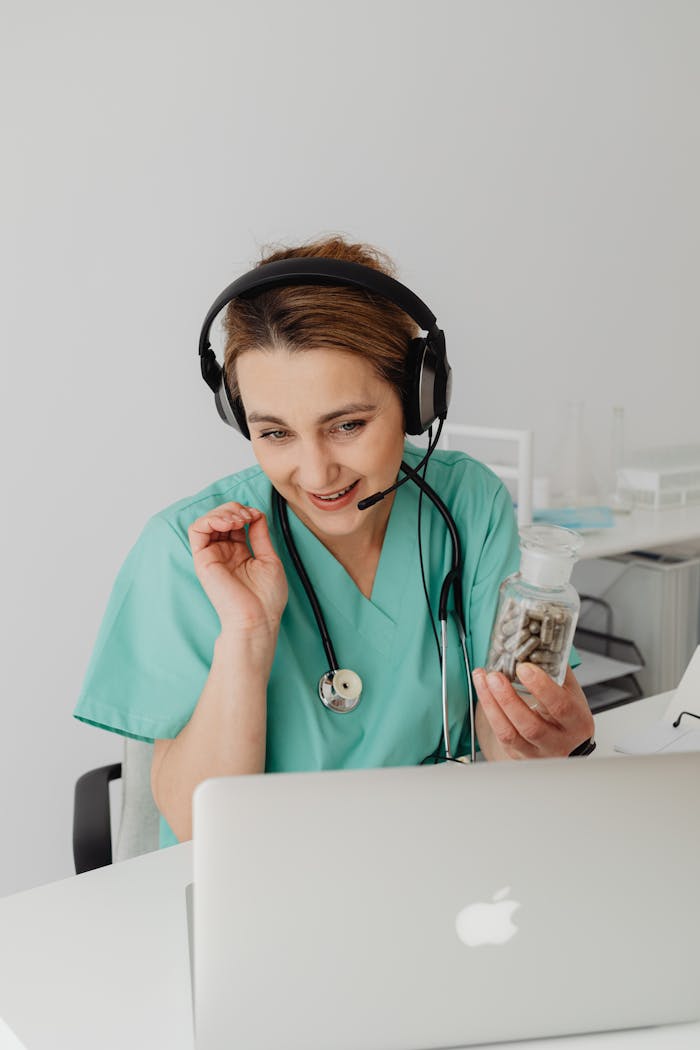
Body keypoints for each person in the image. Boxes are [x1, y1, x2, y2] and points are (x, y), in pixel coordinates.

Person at [74, 235, 594, 847]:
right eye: (275, 434)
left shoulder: (466, 504)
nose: (317, 474)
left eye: (347, 425)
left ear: (415, 400)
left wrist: (546, 745)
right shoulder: (190, 549)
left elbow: (505, 753)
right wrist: (248, 633)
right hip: (267, 878)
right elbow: (199, 830)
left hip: (441, 858)